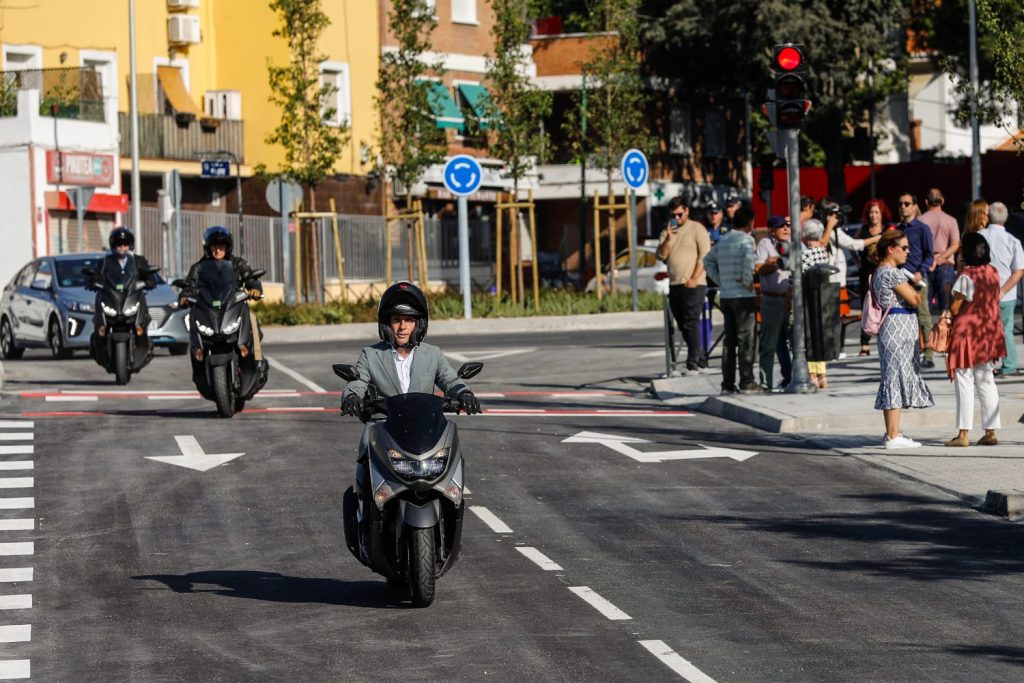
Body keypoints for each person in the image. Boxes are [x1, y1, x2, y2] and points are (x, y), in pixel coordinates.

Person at [341, 281, 480, 415]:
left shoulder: (433, 354)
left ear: (419, 325)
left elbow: (450, 380)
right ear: (387, 324)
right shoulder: (370, 355)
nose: (402, 327)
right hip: (382, 426)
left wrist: (464, 393)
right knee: (367, 440)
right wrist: (352, 396)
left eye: (409, 320)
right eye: (396, 320)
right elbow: (358, 381)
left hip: (424, 426)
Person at [870, 229, 934, 449]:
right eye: (904, 248)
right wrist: (919, 287)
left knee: (892, 377)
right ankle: (893, 435)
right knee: (895, 378)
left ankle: (892, 432)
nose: (908, 252)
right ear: (891, 249)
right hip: (898, 328)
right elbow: (915, 299)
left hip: (892, 329)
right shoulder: (892, 273)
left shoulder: (880, 271)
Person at [944, 232, 1006, 447]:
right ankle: (990, 432)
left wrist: (951, 286)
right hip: (987, 332)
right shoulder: (993, 272)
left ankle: (963, 435)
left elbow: (955, 308)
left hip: (966, 332)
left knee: (964, 382)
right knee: (986, 381)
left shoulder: (966, 277)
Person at [181, 226, 265, 361]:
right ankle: (198, 355)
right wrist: (184, 296)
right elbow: (189, 285)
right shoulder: (198, 268)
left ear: (227, 247)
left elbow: (250, 278)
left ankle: (256, 357)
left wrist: (255, 289)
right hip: (209, 307)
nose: (217, 250)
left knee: (252, 319)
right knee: (193, 317)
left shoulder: (238, 264)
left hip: (233, 304)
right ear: (208, 247)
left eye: (221, 246)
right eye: (214, 246)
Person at [704, 207, 761, 393]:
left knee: (729, 342)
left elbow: (707, 262)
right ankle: (747, 381)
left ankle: (727, 384)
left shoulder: (724, 240)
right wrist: (747, 282)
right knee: (746, 340)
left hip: (726, 295)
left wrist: (721, 281)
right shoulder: (747, 240)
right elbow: (748, 262)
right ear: (749, 222)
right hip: (743, 297)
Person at [656, 196, 712, 373]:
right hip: (675, 283)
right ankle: (701, 358)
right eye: (674, 215)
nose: (677, 218)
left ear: (687, 211)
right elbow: (661, 256)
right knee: (683, 324)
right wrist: (668, 239)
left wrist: (694, 278)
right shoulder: (668, 231)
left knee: (691, 321)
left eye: (680, 214)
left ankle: (692, 363)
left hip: (694, 283)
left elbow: (705, 256)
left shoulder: (697, 228)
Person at [979, 201, 1024, 377]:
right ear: (1005, 219)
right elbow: (1019, 270)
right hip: (1007, 294)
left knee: (983, 329)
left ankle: (985, 363)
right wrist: (1003, 290)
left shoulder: (980, 236)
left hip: (983, 294)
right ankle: (1009, 364)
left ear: (988, 216)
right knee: (1006, 330)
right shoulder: (1013, 241)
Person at [894, 193, 936, 369]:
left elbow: (929, 254)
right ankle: (910, 353)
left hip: (917, 279)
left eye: (906, 203)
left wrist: (921, 271)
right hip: (900, 279)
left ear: (914, 206)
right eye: (900, 204)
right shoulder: (897, 229)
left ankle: (929, 354)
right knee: (902, 317)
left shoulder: (922, 228)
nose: (903, 207)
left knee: (923, 316)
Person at [90, 227, 156, 334]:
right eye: (119, 244)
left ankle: (141, 332)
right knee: (99, 298)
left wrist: (149, 281)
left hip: (131, 296)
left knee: (142, 303)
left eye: (125, 244)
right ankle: (100, 332)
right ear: (113, 246)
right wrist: (93, 282)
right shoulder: (105, 261)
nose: (122, 247)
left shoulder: (138, 260)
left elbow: (148, 275)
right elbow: (97, 276)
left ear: (130, 245)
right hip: (112, 297)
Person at [755, 215, 792, 389]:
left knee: (795, 341)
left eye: (786, 226)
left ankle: (793, 377)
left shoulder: (793, 244)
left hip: (791, 298)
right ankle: (765, 382)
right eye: (780, 227)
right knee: (771, 344)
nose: (785, 229)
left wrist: (773, 262)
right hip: (771, 299)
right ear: (771, 230)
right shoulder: (765, 244)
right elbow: (758, 268)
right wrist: (777, 262)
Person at [856, 199, 894, 356]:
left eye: (876, 212)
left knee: (884, 303)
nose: (873, 215)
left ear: (882, 213)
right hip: (866, 271)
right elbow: (854, 244)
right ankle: (864, 342)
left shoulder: (888, 229)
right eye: (871, 212)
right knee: (867, 305)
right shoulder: (864, 229)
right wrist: (856, 260)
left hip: (882, 271)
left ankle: (885, 336)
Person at [801, 218, 834, 388]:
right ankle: (823, 375)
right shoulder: (824, 252)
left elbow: (796, 278)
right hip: (823, 298)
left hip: (807, 299)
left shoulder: (804, 254)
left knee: (808, 336)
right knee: (819, 336)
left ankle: (812, 374)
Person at [919, 188, 961, 313]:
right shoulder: (951, 220)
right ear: (942, 201)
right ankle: (946, 333)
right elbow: (955, 245)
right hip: (946, 266)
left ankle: (924, 333)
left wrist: (933, 259)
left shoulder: (920, 221)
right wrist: (940, 258)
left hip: (925, 267)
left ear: (926, 202)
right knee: (947, 312)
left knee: (923, 313)